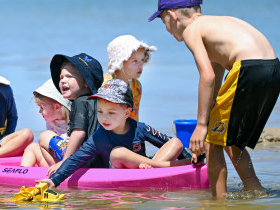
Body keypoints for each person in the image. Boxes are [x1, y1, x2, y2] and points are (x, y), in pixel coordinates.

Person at [148, 0, 280, 199]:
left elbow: (207, 76)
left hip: (247, 67)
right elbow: (217, 74)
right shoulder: (217, 25)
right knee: (229, 139)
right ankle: (256, 191)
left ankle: (217, 204)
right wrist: (210, 119)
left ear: (172, 15)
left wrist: (202, 127)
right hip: (273, 69)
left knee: (212, 142)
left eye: (163, 21)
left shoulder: (192, 30)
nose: (167, 30)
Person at [39, 79, 188, 188]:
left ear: (127, 112)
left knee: (176, 142)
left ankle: (161, 167)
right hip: (123, 177)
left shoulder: (140, 128)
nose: (104, 117)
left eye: (111, 112)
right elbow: (76, 159)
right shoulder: (98, 138)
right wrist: (55, 180)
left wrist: (195, 164)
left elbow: (168, 143)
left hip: (147, 171)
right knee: (118, 153)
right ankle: (166, 166)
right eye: (100, 112)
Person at [46, 53, 105, 175]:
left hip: (83, 161)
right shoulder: (99, 101)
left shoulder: (80, 102)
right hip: (101, 159)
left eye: (69, 76)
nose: (63, 81)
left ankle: (48, 171)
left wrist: (65, 162)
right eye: (61, 77)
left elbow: (79, 133)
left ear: (86, 83)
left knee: (44, 137)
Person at [20, 79, 72, 167]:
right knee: (32, 147)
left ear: (57, 107)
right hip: (57, 161)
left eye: (42, 107)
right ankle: (22, 174)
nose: (39, 112)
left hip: (71, 161)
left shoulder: (75, 121)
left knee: (45, 135)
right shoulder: (51, 122)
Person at [105, 35, 157, 121]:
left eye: (142, 60)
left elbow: (134, 118)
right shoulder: (106, 83)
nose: (141, 66)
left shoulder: (136, 86)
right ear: (120, 62)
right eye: (135, 61)